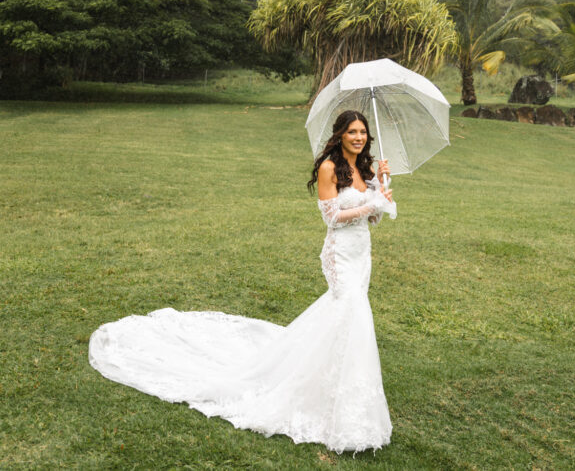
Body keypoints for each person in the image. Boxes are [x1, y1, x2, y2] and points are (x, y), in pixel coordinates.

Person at [88, 110, 396, 454]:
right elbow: (332, 217)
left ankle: (339, 385)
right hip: (340, 255)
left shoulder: (368, 171)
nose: (358, 137)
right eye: (352, 131)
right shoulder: (329, 168)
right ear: (340, 134)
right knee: (351, 310)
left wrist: (381, 190)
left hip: (362, 254)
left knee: (348, 318)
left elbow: (377, 218)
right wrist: (370, 203)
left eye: (363, 132)